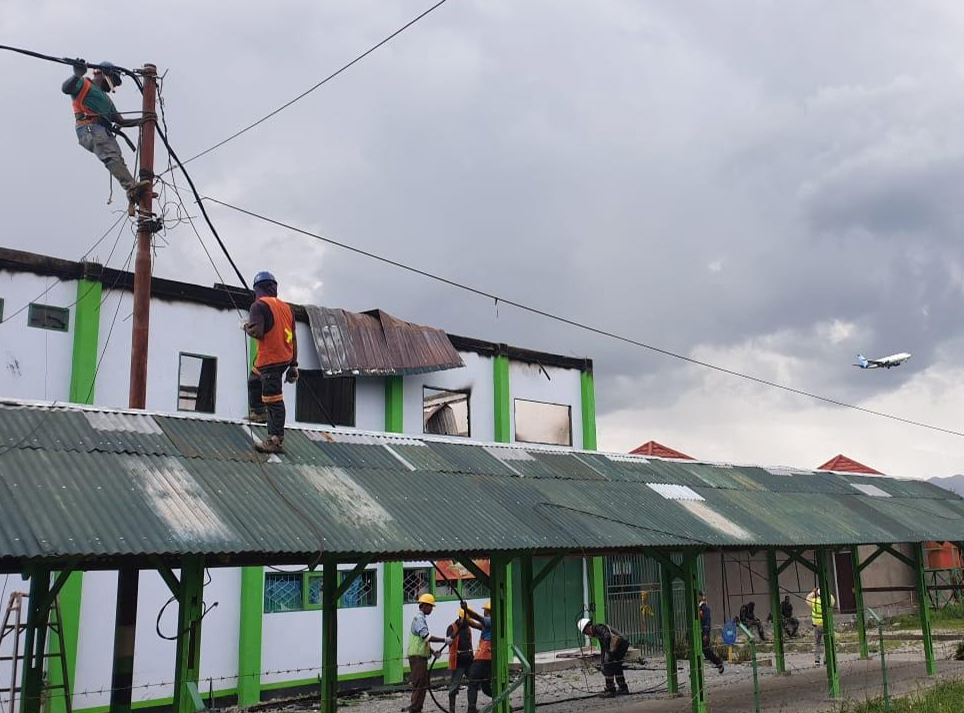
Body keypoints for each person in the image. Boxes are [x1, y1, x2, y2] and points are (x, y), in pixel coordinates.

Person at [62, 60, 151, 202]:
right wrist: (76, 75)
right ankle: (131, 187)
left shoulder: (107, 100)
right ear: (104, 74)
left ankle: (134, 193)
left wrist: (145, 120)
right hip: (89, 128)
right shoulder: (84, 84)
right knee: (110, 155)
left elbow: (120, 120)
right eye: (114, 80)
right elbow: (66, 88)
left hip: (103, 130)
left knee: (117, 158)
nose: (114, 85)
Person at [243, 271, 298, 453]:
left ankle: (275, 440)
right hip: (284, 357)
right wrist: (293, 365)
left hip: (271, 361)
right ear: (273, 287)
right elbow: (293, 338)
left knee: (273, 400)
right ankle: (258, 413)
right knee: (254, 379)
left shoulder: (258, 306)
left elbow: (257, 332)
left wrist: (246, 327)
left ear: (258, 289)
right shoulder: (286, 308)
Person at [407, 593, 446, 713]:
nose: (432, 610)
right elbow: (427, 637)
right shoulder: (419, 619)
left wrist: (433, 652)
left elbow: (423, 641)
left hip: (420, 657)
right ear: (425, 606)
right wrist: (445, 640)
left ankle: (417, 708)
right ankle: (415, 709)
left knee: (422, 684)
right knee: (419, 685)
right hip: (417, 658)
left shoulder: (421, 619)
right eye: (431, 607)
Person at [578, 617, 630, 697]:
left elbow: (607, 636)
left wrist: (607, 655)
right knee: (616, 665)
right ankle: (623, 688)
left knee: (608, 665)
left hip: (620, 645)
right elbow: (603, 647)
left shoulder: (598, 628)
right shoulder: (597, 631)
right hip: (622, 644)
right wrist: (602, 660)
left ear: (587, 627)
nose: (587, 634)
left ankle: (610, 690)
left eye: (586, 632)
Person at [446, 608, 478, 713]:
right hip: (458, 662)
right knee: (454, 687)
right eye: (466, 620)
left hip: (469, 661)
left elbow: (469, 643)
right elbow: (449, 642)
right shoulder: (452, 627)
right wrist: (453, 635)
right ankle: (452, 710)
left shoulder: (467, 628)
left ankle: (472, 708)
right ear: (460, 618)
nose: (467, 622)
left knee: (474, 683)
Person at [465, 601, 493, 713]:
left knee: (473, 682)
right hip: (488, 658)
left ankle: (471, 709)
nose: (484, 612)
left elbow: (478, 618)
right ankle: (502, 700)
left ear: (488, 611)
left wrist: (467, 610)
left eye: (485, 610)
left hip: (483, 657)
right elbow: (475, 624)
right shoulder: (489, 624)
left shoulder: (490, 620)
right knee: (486, 687)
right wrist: (464, 620)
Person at [806, 586, 836, 665]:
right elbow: (832, 599)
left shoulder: (814, 601)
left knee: (817, 643)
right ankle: (826, 659)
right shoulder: (828, 601)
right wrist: (826, 591)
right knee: (827, 642)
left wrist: (813, 592)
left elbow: (807, 598)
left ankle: (817, 660)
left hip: (816, 625)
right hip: (826, 625)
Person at [698, 593, 725, 674]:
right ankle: (696, 670)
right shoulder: (698, 608)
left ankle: (718, 662)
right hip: (698, 632)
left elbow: (707, 622)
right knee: (697, 651)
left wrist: (706, 634)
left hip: (703, 632)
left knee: (706, 651)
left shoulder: (704, 608)